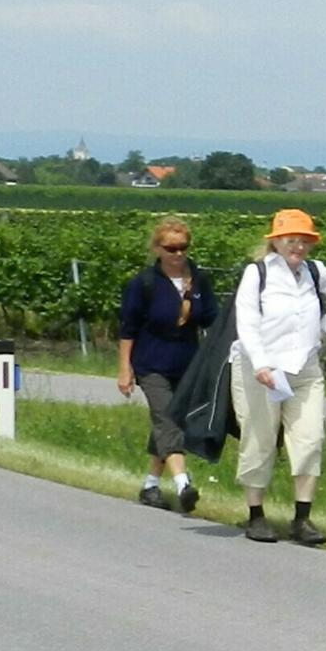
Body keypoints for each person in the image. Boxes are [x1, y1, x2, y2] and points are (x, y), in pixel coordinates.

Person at [227, 209, 326, 545]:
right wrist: (261, 364)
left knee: (310, 439)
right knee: (259, 439)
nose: (298, 246)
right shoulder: (258, 274)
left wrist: (325, 330)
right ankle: (256, 515)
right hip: (260, 370)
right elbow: (247, 321)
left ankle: (302, 519)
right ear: (277, 241)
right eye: (291, 240)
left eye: (304, 241)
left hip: (304, 369)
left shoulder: (315, 272)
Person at [118, 216, 217, 512]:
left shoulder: (199, 280)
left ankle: (150, 485)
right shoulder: (143, 284)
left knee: (169, 423)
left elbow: (211, 319)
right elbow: (128, 329)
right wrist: (124, 369)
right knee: (167, 420)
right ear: (157, 249)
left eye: (183, 247)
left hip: (187, 363)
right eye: (171, 248)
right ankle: (183, 484)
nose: (178, 254)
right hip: (151, 363)